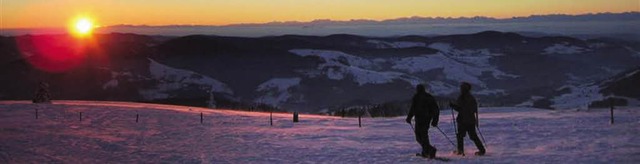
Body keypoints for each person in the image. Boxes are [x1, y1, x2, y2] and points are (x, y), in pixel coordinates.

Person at [449, 82, 485, 156]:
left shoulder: (463, 97)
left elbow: (460, 109)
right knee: (472, 136)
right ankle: (482, 150)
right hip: (470, 120)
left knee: (460, 136)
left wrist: (453, 106)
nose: (461, 89)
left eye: (462, 88)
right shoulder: (471, 97)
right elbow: (473, 109)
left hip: (463, 120)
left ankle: (460, 151)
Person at [406, 84, 440, 158]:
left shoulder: (418, 97)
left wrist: (409, 117)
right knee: (421, 136)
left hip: (423, 119)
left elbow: (413, 109)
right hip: (422, 119)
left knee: (421, 136)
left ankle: (430, 150)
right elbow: (436, 110)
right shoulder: (427, 97)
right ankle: (427, 151)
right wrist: (435, 120)